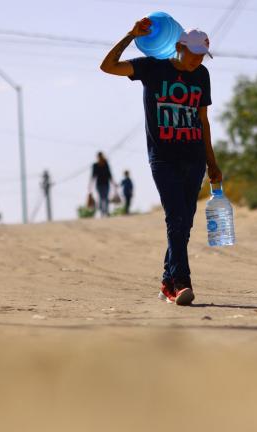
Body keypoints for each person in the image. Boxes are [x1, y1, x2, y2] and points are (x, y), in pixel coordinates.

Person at [100, 19, 222, 306]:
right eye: (193, 53)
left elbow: (203, 121)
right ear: (179, 47)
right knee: (175, 218)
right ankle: (181, 283)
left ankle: (167, 280)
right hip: (163, 158)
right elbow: (107, 66)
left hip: (194, 158)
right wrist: (130, 35)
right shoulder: (152, 68)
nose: (196, 60)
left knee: (185, 222)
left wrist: (212, 162)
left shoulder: (202, 75)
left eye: (201, 56)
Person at [89, 152, 116, 217]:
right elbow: (93, 176)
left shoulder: (106, 164)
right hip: (99, 184)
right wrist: (90, 185)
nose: (100, 157)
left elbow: (109, 174)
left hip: (106, 183)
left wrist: (113, 183)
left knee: (106, 198)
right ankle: (102, 212)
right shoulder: (95, 165)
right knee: (101, 198)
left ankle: (106, 211)